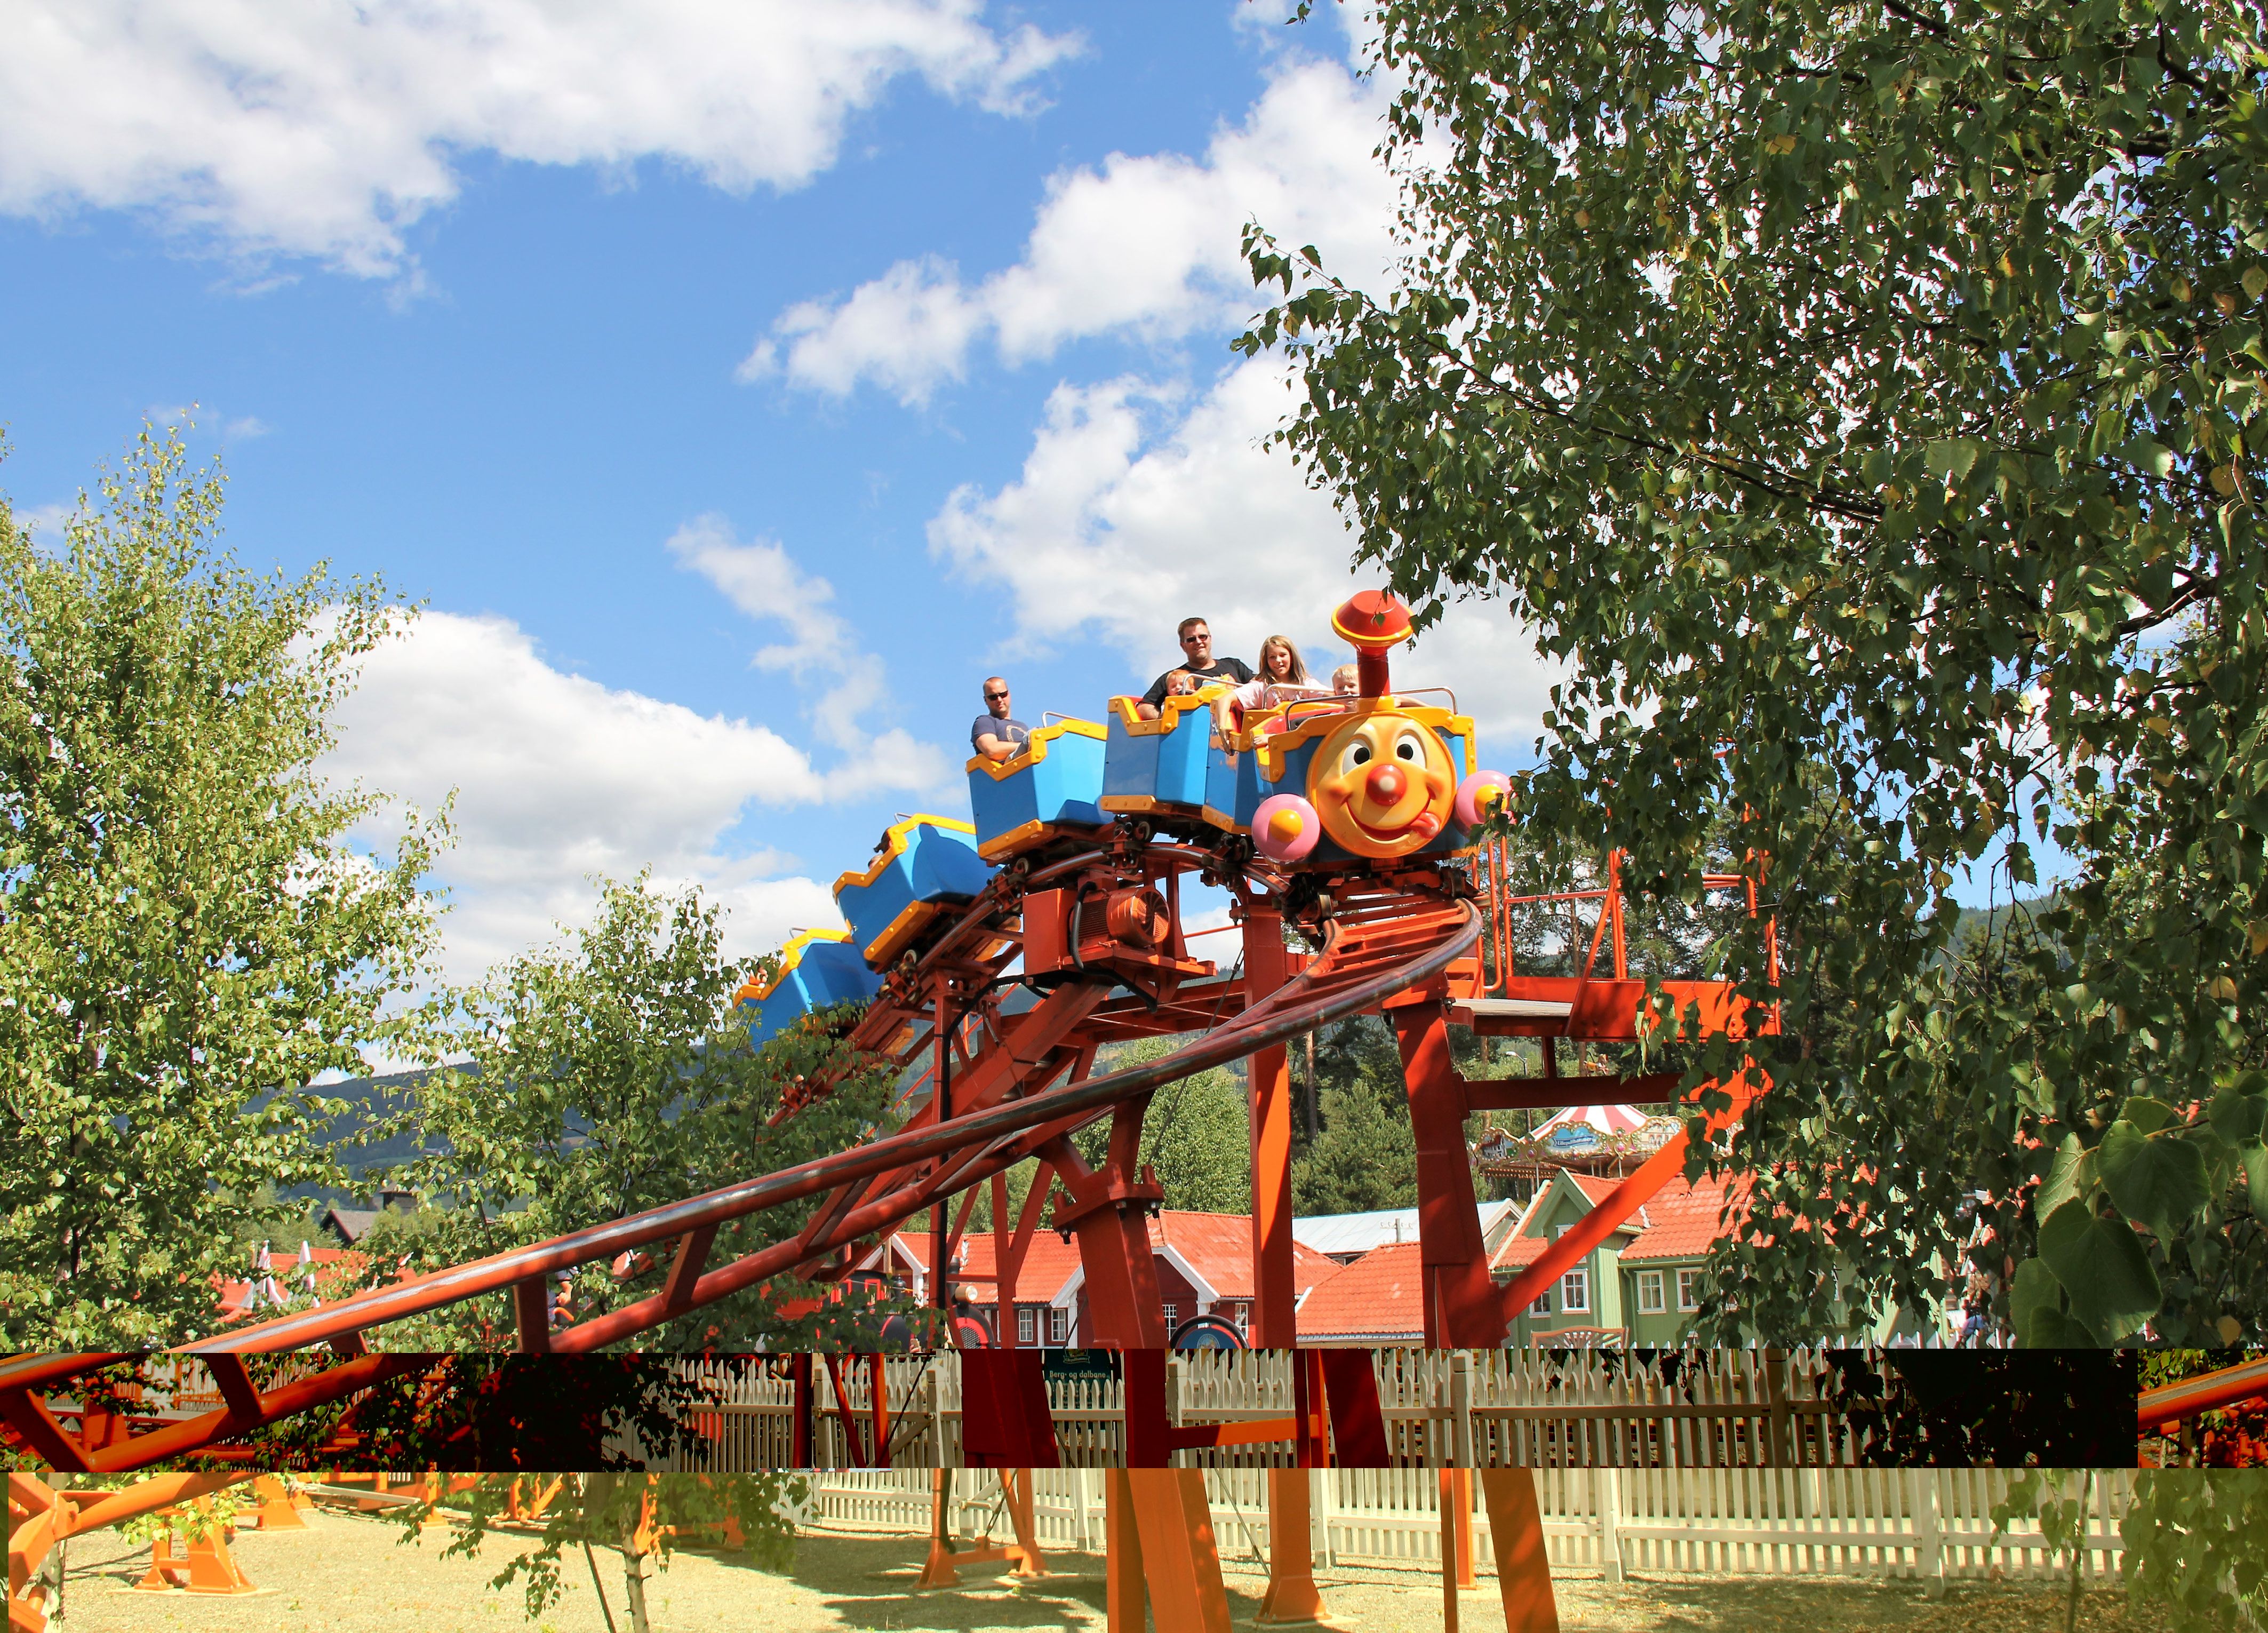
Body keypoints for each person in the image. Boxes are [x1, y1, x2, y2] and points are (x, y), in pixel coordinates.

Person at [1136, 617, 1252, 720]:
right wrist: (1166, 718)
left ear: (1210, 639)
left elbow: (1261, 686)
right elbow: (1144, 707)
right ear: (1183, 645)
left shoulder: (1234, 665)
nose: (1198, 642)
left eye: (1203, 637)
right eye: (1191, 639)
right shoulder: (1174, 678)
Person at [1216, 633, 1328, 735]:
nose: (1278, 661)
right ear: (1266, 661)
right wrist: (1222, 726)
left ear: (1292, 657)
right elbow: (1225, 699)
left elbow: (1331, 697)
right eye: (1272, 657)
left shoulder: (1304, 684)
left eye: (1283, 655)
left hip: (1302, 737)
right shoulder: (1262, 687)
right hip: (1272, 743)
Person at [971, 676, 1031, 762]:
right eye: (993, 697)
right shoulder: (984, 722)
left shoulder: (1023, 726)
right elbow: (991, 750)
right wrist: (1027, 745)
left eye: (1003, 695)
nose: (999, 700)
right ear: (986, 700)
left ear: (1009, 694)